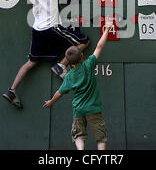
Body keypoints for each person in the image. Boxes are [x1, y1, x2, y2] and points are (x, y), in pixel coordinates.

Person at [3, 0, 90, 109]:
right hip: (52, 28)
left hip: (38, 30)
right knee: (84, 41)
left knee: (31, 62)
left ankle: (12, 90)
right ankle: (61, 66)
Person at [43, 21, 113, 150]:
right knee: (101, 138)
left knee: (79, 136)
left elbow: (60, 92)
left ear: (68, 63)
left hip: (78, 110)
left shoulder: (69, 76)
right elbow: (99, 47)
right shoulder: (88, 65)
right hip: (93, 109)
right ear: (82, 55)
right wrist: (107, 29)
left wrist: (51, 102)